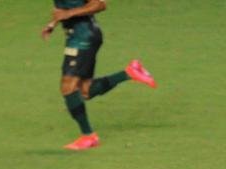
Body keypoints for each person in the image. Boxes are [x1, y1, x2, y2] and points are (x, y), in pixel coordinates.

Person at [41, 0, 158, 150]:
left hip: (83, 37)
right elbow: (62, 8)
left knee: (68, 87)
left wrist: (69, 13)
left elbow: (100, 4)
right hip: (76, 36)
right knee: (84, 91)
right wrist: (53, 23)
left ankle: (88, 136)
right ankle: (129, 72)